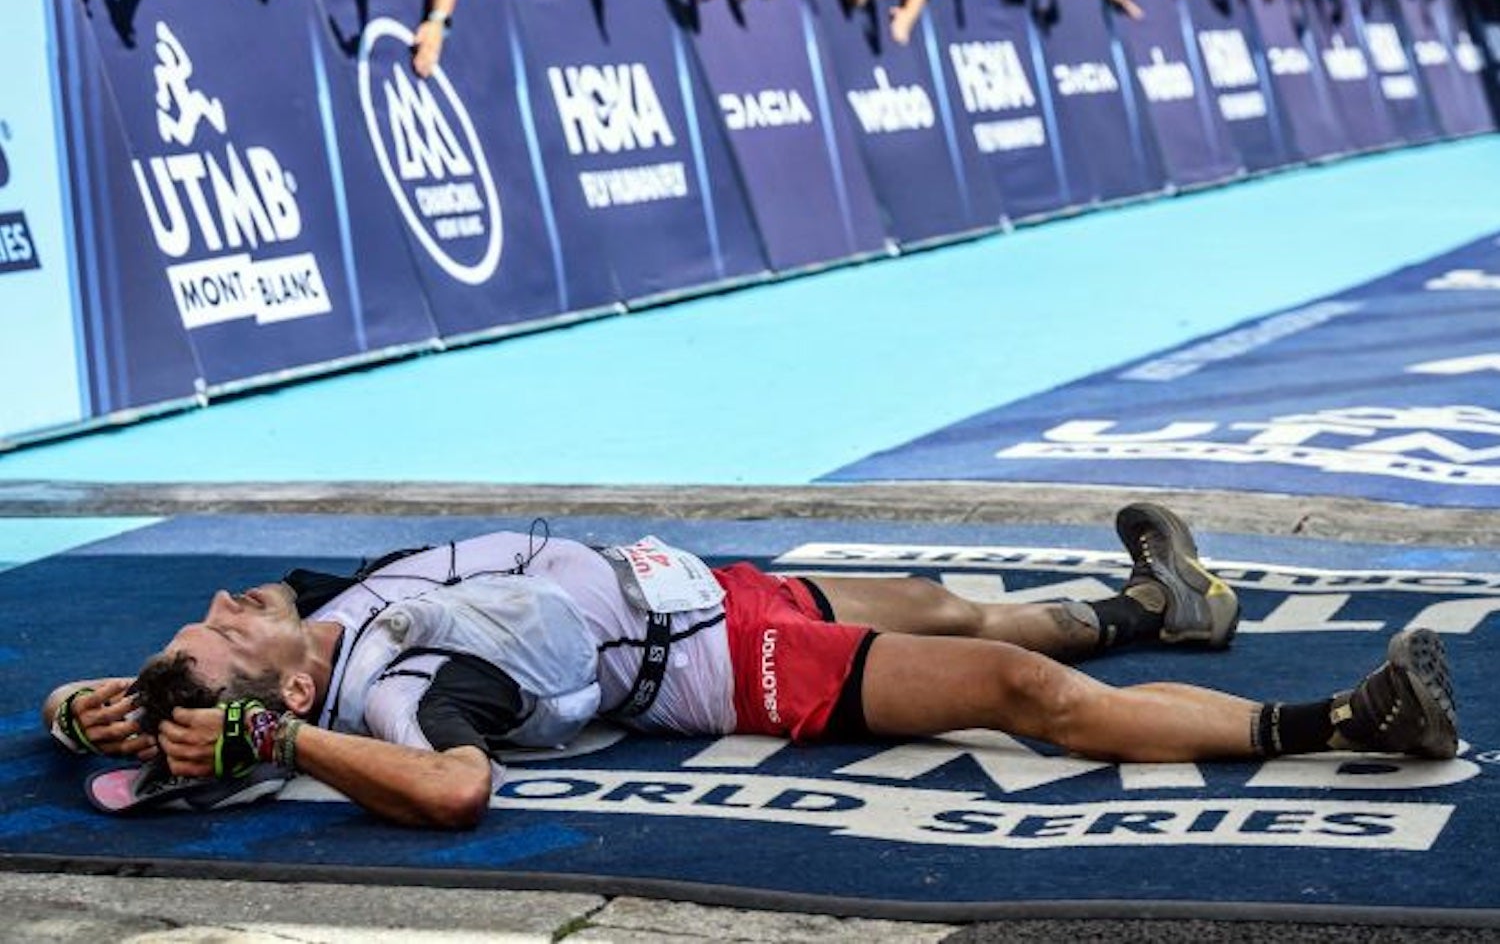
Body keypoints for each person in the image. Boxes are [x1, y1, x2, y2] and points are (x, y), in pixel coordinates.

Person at [44, 503, 1458, 830]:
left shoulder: (321, 610)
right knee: (1025, 701)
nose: (228, 596)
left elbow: (145, 707)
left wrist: (77, 708)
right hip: (719, 662)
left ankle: (1160, 608)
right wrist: (280, 755)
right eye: (223, 628)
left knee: (955, 605)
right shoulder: (400, 692)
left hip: (690, 580)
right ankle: (1342, 718)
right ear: (287, 694)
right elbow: (456, 789)